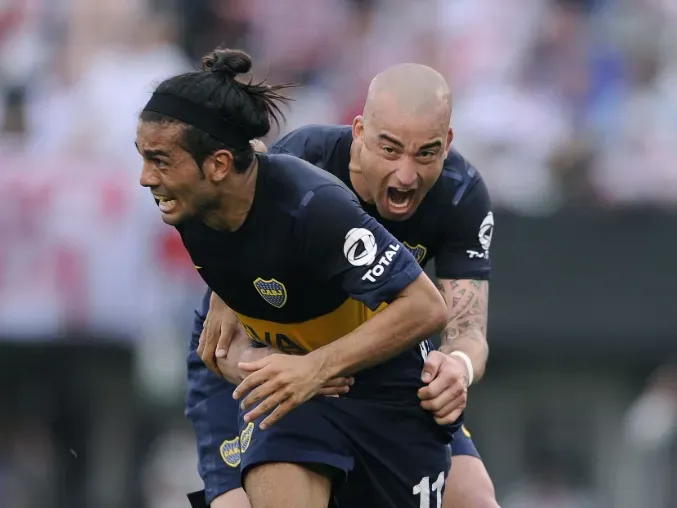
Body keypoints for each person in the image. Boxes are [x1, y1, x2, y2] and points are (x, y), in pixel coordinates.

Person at [137, 47, 452, 508]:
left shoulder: (314, 210)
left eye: (160, 161)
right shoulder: (196, 197)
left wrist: (315, 366)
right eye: (144, 158)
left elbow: (426, 307)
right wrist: (249, 351)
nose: (146, 178)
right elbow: (254, 154)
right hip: (289, 399)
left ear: (219, 165)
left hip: (381, 394)